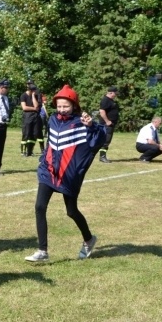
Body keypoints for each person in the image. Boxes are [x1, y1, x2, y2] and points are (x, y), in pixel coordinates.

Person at [25, 85, 105, 262]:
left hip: (69, 176)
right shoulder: (53, 119)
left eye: (66, 106)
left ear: (74, 105)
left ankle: (89, 239)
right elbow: (51, 142)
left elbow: (99, 139)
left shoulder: (82, 123)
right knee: (39, 206)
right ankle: (42, 251)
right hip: (49, 171)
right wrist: (45, 160)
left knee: (71, 211)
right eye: (59, 106)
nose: (62, 109)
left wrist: (91, 126)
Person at [98, 86, 119, 163]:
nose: (116, 95)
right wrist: (107, 121)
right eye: (115, 93)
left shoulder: (111, 100)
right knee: (106, 140)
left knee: (107, 140)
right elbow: (102, 111)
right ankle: (102, 157)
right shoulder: (105, 100)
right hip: (106, 124)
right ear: (110, 93)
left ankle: (102, 156)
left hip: (110, 124)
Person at [19, 82, 40, 157]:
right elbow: (24, 107)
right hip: (27, 116)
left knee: (34, 134)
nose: (35, 91)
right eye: (34, 90)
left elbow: (37, 106)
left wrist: (33, 96)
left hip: (35, 116)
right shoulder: (23, 96)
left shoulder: (35, 95)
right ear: (30, 90)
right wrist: (34, 108)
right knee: (26, 133)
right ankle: (23, 151)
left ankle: (30, 151)